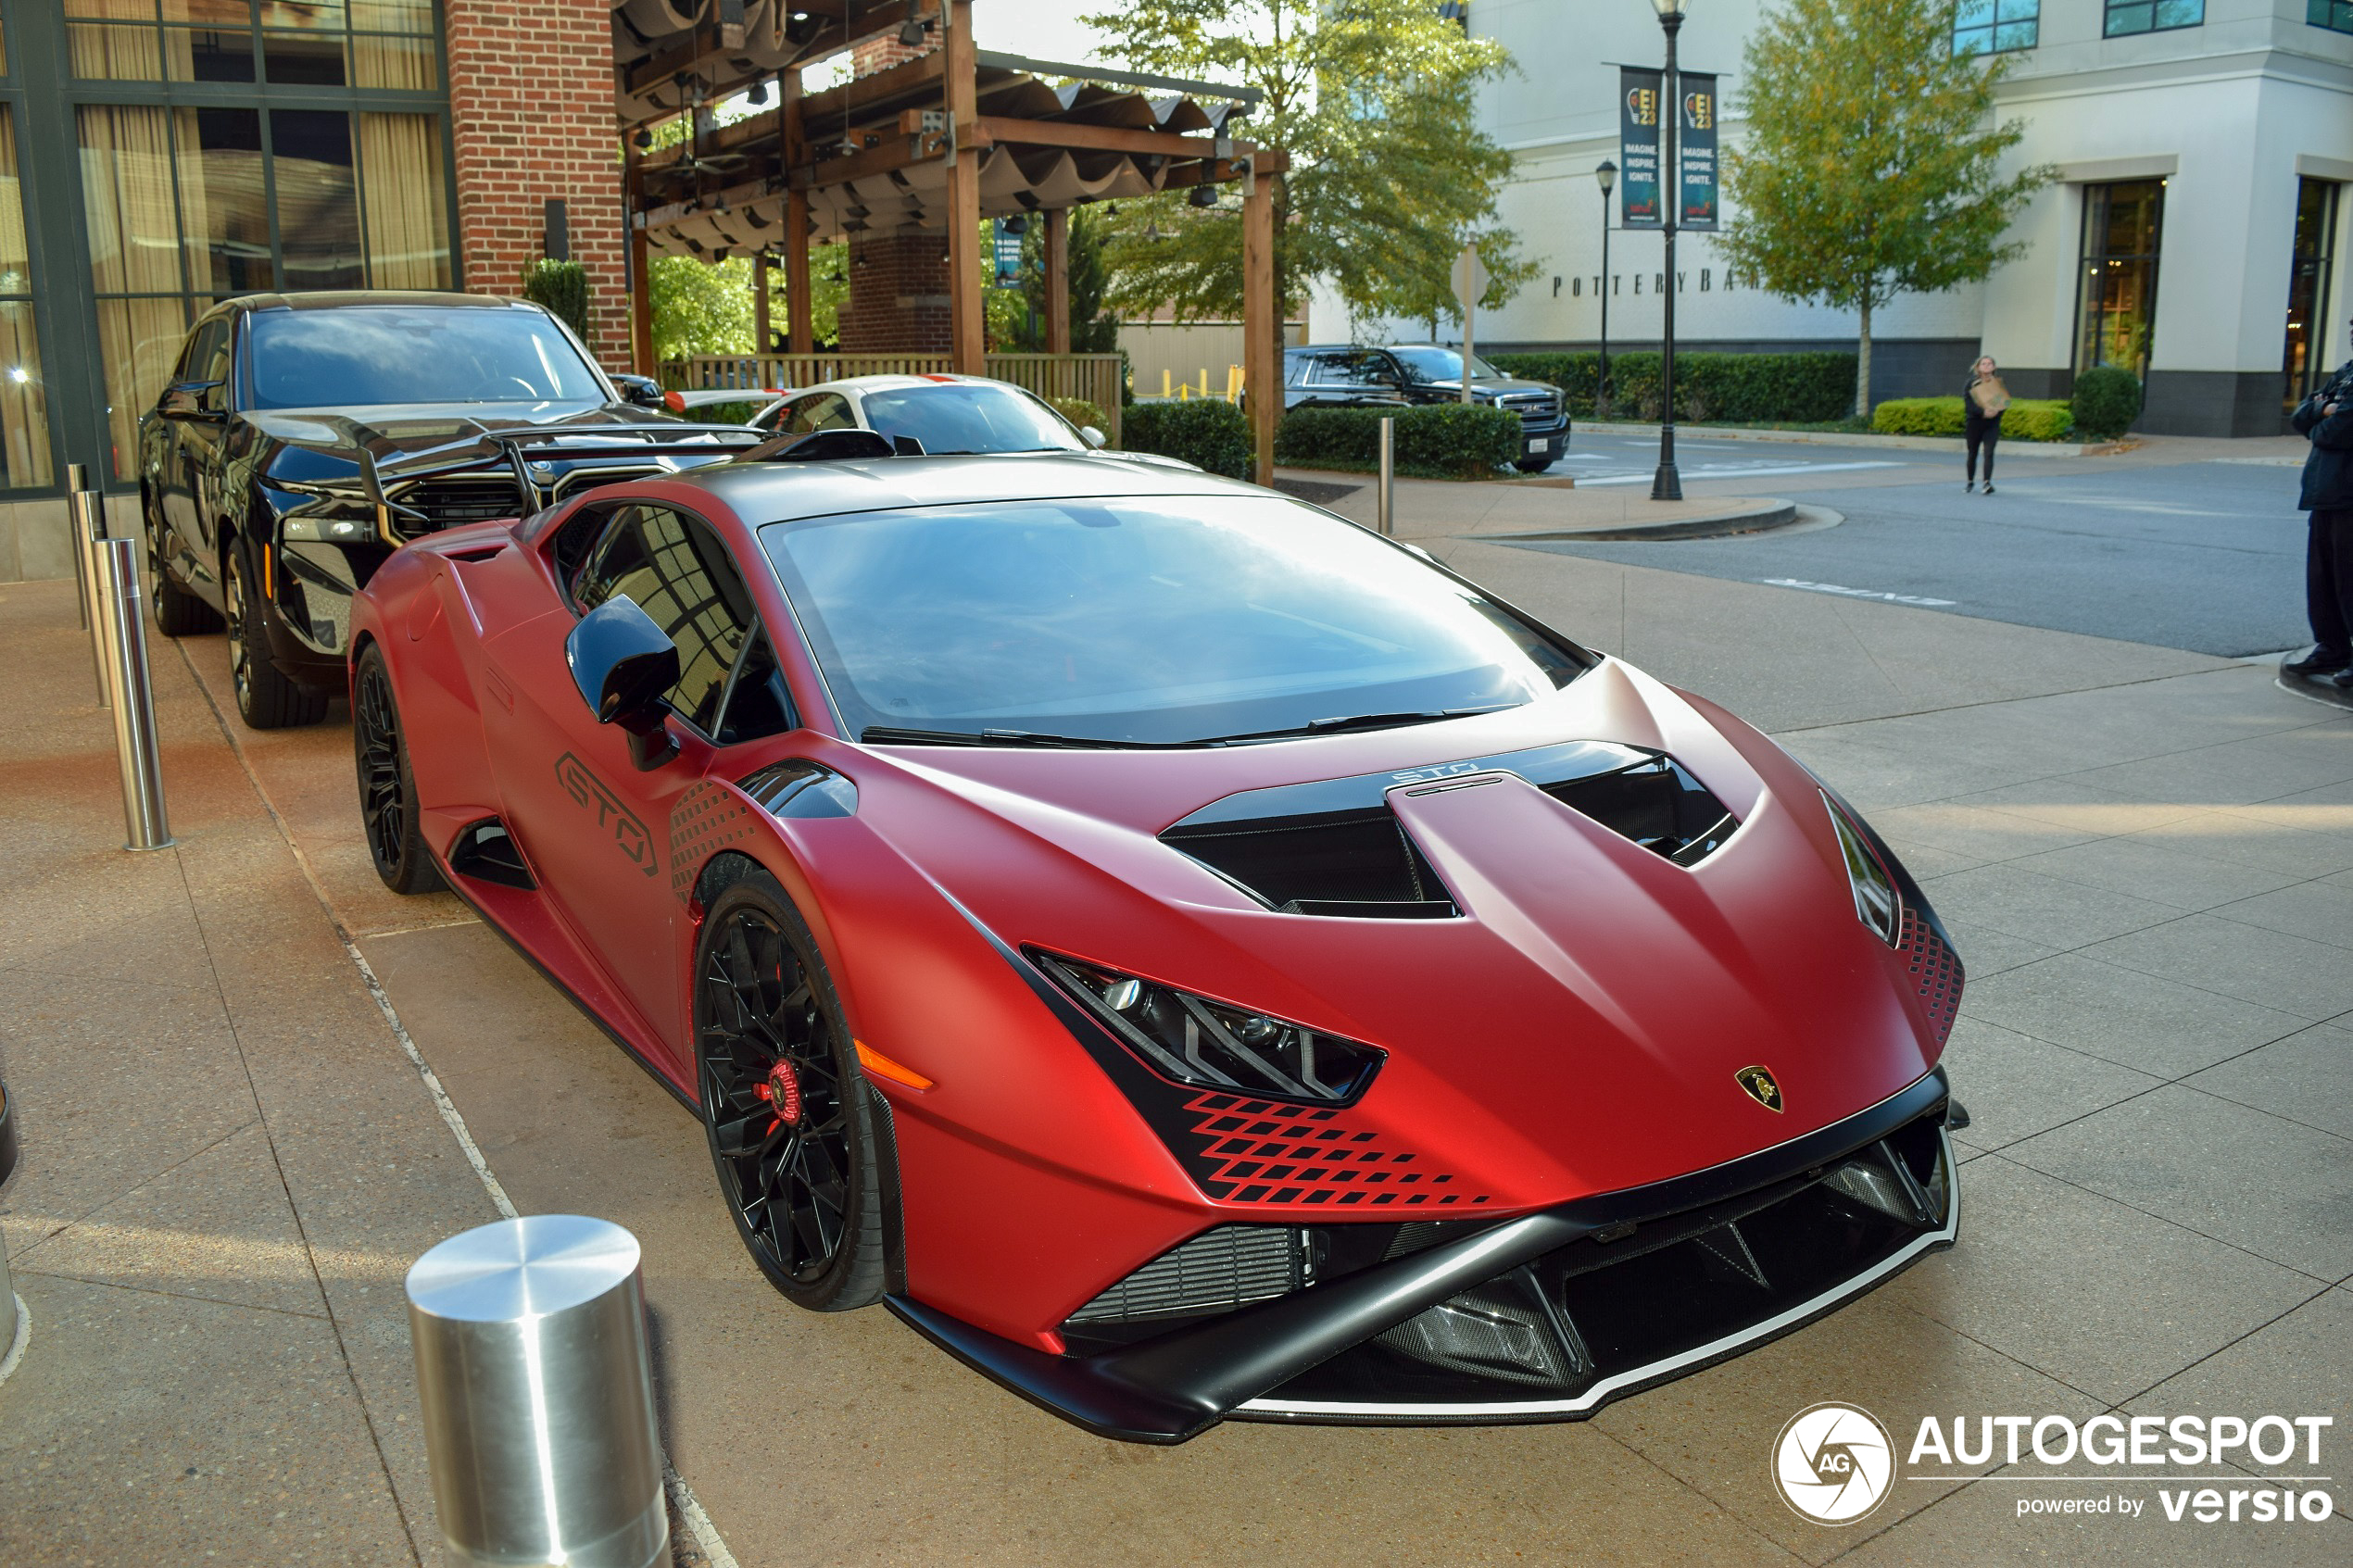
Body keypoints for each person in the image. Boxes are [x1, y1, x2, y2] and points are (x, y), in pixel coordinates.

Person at [2286, 317, 2353, 684]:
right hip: (2324, 492)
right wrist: (2321, 410)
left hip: (2348, 494)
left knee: (2349, 579)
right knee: (2322, 579)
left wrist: (2324, 414)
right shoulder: (2346, 373)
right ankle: (2332, 648)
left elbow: (2340, 431)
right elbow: (2300, 415)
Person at [1964, 356, 2008, 494]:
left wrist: (1996, 412)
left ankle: (1987, 482)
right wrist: (1983, 412)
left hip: (1992, 423)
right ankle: (1970, 481)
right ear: (1978, 367)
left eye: (1990, 364)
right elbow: (1968, 405)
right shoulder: (1971, 383)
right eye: (1984, 363)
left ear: (1994, 367)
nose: (1987, 366)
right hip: (1975, 422)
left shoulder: (1997, 384)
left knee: (1989, 452)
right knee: (1973, 452)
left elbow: (2005, 402)